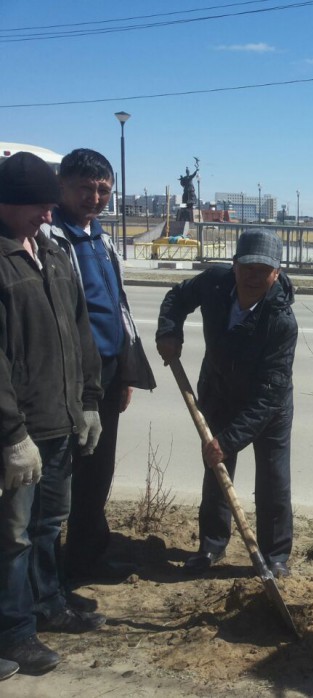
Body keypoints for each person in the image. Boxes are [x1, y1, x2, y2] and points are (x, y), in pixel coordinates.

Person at [0, 152, 106, 675]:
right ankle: (13, 631)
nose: (47, 216)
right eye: (37, 207)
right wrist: (10, 433)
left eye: (48, 206)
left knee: (48, 525)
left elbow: (80, 330)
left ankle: (48, 606)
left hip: (61, 421)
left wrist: (88, 400)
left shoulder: (53, 254)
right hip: (20, 430)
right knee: (13, 537)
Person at [155, 229, 297, 579]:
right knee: (216, 473)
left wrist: (228, 440)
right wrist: (169, 332)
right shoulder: (214, 283)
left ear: (276, 273)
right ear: (234, 267)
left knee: (273, 478)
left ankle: (275, 555)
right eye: (247, 267)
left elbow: (269, 394)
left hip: (268, 407)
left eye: (263, 269)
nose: (253, 276)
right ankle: (211, 546)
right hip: (218, 391)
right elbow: (176, 298)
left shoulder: (281, 321)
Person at [45, 148, 156, 583]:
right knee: (62, 477)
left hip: (108, 372)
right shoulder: (51, 238)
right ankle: (54, 573)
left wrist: (125, 372)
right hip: (70, 377)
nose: (95, 197)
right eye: (85, 189)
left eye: (103, 190)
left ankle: (88, 558)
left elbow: (118, 308)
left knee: (98, 470)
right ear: (62, 188)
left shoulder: (102, 239)